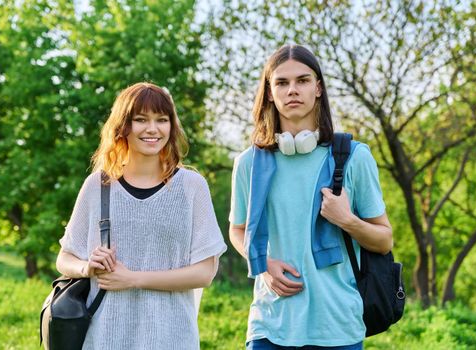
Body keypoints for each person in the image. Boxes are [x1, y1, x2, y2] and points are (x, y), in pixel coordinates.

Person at [229, 44, 393, 349]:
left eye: (302, 81)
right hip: (269, 327)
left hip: (337, 329)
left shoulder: (355, 158)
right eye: (281, 82)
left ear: (318, 88)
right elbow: (237, 230)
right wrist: (262, 264)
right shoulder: (249, 164)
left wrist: (347, 220)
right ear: (268, 92)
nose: (292, 90)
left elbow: (384, 240)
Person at [56, 82, 227, 349]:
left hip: (172, 338)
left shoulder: (192, 186)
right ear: (123, 126)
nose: (152, 129)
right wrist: (87, 267)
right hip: (104, 337)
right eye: (141, 120)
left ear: (172, 127)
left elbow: (205, 272)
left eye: (162, 120)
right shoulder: (97, 185)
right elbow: (65, 257)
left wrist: (133, 279)